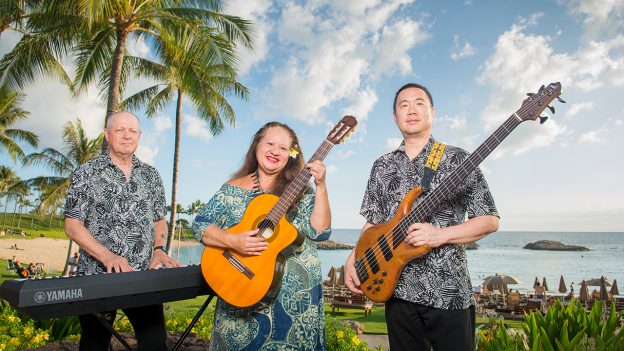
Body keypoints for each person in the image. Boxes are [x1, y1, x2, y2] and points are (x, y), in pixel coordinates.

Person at [343, 83, 499, 351]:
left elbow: (489, 220)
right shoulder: (383, 165)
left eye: (419, 103)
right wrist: (352, 259)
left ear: (432, 112)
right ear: (395, 117)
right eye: (403, 105)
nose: (411, 110)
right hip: (397, 292)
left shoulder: (458, 159)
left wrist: (440, 235)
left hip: (448, 292)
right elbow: (373, 222)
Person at [192, 121, 331, 350]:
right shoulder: (233, 188)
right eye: (270, 143)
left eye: (284, 148)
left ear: (291, 155)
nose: (275, 151)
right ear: (257, 145)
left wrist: (321, 185)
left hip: (293, 302)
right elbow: (201, 225)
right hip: (241, 289)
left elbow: (319, 232)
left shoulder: (302, 189)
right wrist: (233, 241)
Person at [64, 111, 180, 351]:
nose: (127, 136)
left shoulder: (151, 175)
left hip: (142, 277)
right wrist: (107, 256)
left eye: (132, 131)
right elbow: (72, 225)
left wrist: (158, 249)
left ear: (139, 136)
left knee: (155, 343)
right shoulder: (86, 173)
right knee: (94, 344)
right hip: (96, 276)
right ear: (107, 135)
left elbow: (159, 220)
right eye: (119, 130)